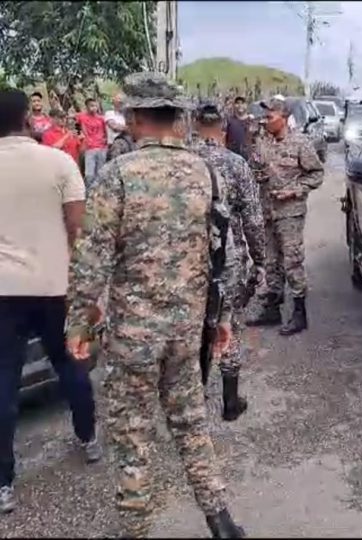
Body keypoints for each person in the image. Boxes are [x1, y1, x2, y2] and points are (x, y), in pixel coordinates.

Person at [66, 72, 245, 538]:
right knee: (190, 424)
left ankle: (137, 531)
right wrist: (223, 320)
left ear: (136, 117)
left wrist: (78, 326)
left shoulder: (117, 175)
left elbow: (91, 260)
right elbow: (224, 252)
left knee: (132, 438)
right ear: (176, 116)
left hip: (133, 339)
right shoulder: (205, 172)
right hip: (186, 332)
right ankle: (221, 520)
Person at [0, 89, 100, 515]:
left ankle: (3, 482)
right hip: (56, 286)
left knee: (4, 380)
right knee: (70, 363)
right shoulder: (59, 162)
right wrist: (89, 290)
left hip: (4, 291)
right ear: (27, 117)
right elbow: (79, 229)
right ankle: (89, 437)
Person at [191, 100, 265, 421]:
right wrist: (259, 260)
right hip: (227, 259)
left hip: (188, 262)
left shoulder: (185, 163)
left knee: (193, 327)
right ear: (222, 128)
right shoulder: (236, 164)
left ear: (195, 126)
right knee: (229, 324)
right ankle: (230, 402)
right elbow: (253, 219)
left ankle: (193, 400)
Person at [246, 97, 324, 335]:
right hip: (267, 210)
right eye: (264, 116)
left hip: (289, 213)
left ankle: (299, 313)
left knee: (292, 261)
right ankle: (272, 308)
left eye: (270, 117)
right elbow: (256, 167)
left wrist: (294, 191)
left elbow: (316, 174)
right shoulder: (263, 142)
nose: (265, 121)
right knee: (271, 261)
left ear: (284, 117)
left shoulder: (300, 143)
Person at [75, 98, 108, 192]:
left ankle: (99, 193)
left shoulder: (101, 118)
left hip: (101, 147)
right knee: (89, 174)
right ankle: (89, 193)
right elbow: (71, 119)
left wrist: (105, 141)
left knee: (101, 172)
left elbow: (105, 131)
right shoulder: (82, 116)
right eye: (91, 106)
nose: (94, 108)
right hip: (89, 148)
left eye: (96, 106)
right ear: (87, 107)